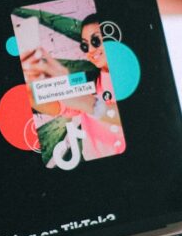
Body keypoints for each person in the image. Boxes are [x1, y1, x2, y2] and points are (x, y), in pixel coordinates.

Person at [20, 15, 124, 162]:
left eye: (96, 41)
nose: (90, 50)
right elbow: (59, 107)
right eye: (85, 45)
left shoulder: (131, 77)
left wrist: (85, 102)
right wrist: (30, 92)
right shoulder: (90, 82)